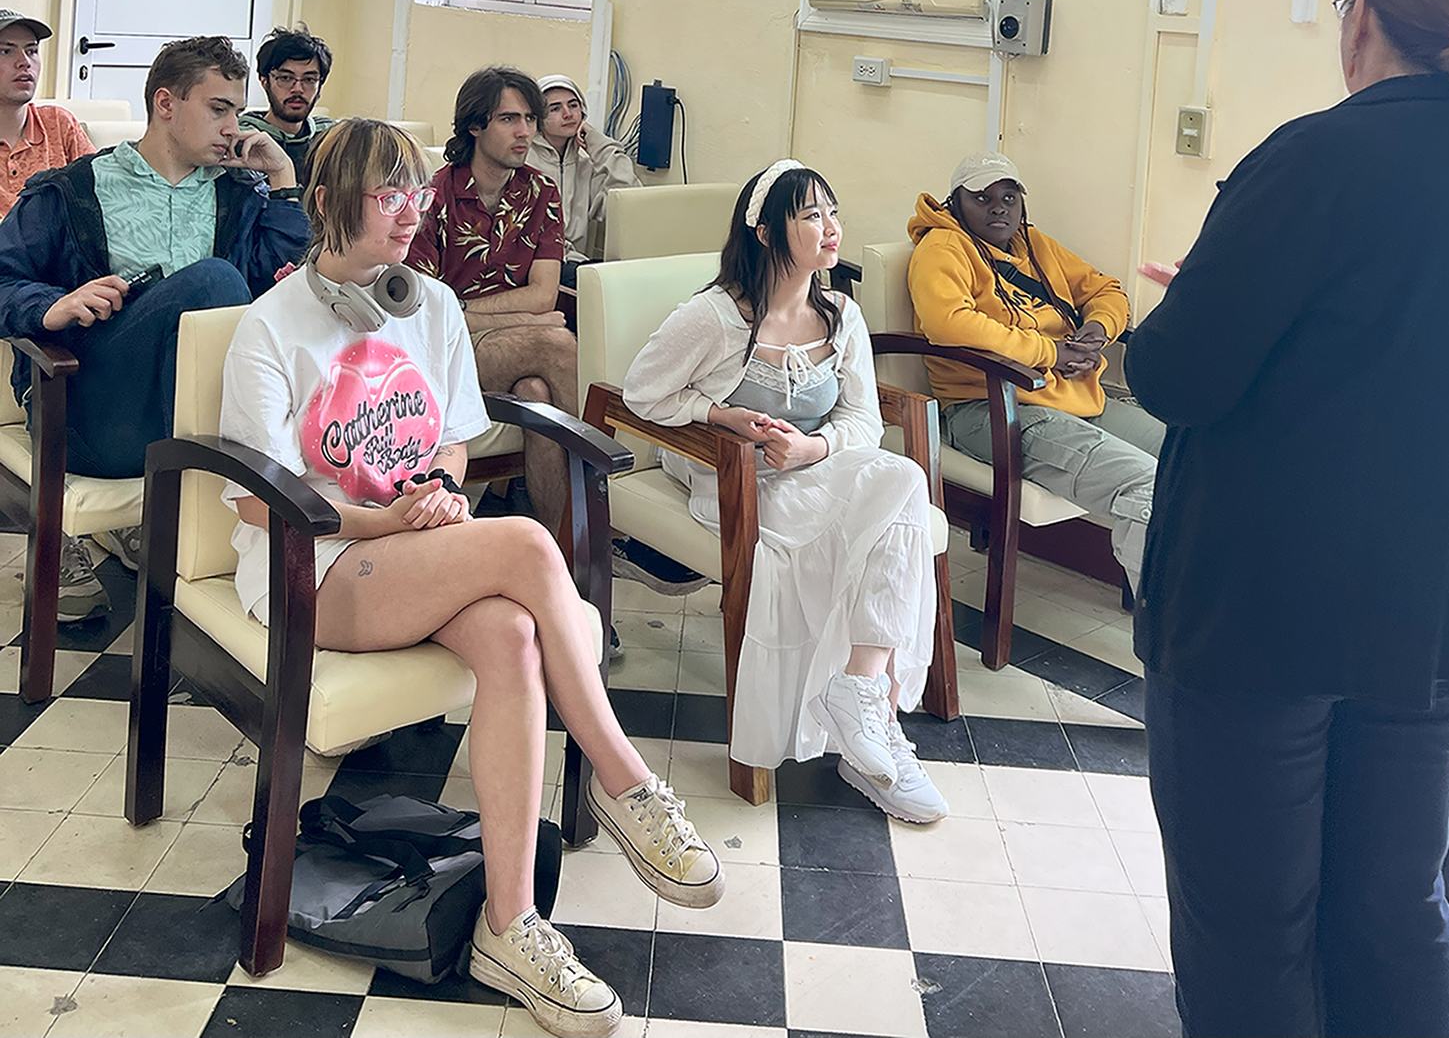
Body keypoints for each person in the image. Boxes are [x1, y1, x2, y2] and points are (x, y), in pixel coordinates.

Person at [219, 119, 722, 1036]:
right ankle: (625, 779)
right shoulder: (271, 325)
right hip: (314, 561)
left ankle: (510, 922)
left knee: (512, 633)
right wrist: (388, 517)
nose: (412, 212)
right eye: (388, 195)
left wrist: (442, 492)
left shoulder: (431, 305)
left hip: (408, 546)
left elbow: (450, 436)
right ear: (328, 205)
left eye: (416, 191)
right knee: (529, 545)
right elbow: (258, 501)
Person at [1126, 0, 1449, 1038]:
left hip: (1261, 621)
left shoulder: (1315, 157)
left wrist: (1186, 299)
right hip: (1431, 621)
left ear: (1365, 20)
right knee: (1399, 911)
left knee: (1252, 929)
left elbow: (1179, 375)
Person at [623, 159, 948, 824]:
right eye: (810, 215)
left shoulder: (840, 315)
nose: (831, 228)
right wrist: (720, 414)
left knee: (905, 480)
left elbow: (861, 417)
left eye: (833, 211)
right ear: (768, 232)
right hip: (733, 478)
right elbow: (641, 392)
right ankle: (871, 729)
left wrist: (812, 447)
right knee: (885, 514)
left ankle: (860, 691)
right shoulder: (714, 318)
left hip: (810, 466)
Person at [0, 35, 307, 621]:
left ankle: (186, 544)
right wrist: (50, 306)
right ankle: (214, 550)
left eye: (238, 112)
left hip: (189, 419)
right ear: (165, 104)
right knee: (213, 282)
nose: (232, 126)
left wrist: (285, 181)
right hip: (87, 406)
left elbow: (284, 291)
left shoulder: (239, 195)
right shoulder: (73, 189)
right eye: (218, 109)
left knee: (231, 298)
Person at [906, 153, 1163, 589]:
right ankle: (1163, 632)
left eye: (1009, 197)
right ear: (955, 204)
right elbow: (948, 323)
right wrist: (1049, 352)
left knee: (1192, 451)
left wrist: (1095, 332)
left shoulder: (1035, 245)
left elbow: (1105, 288)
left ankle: (1213, 597)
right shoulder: (942, 248)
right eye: (982, 198)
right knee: (1146, 484)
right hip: (990, 405)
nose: (999, 208)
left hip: (1071, 393)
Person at [407, 67, 576, 542]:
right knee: (559, 345)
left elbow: (546, 293)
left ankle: (558, 548)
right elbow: (432, 310)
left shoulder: (541, 193)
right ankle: (608, 497)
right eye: (508, 119)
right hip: (442, 356)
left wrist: (482, 310)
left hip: (507, 348)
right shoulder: (434, 194)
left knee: (539, 396)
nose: (524, 131)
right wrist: (525, 316)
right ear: (475, 126)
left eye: (528, 119)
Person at [527, 74, 638, 276]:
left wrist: (597, 142)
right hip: (536, 266)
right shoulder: (523, 163)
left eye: (573, 105)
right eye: (555, 109)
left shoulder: (586, 167)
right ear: (538, 119)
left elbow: (629, 208)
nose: (568, 114)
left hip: (577, 264)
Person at [0, 10, 94, 217]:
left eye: (32, 51)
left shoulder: (58, 123)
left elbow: (102, 192)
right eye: (6, 51)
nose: (24, 62)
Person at [240, 24, 336, 186]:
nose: (297, 89)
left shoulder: (330, 138)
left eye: (309, 80)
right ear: (265, 82)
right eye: (285, 78)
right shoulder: (244, 138)